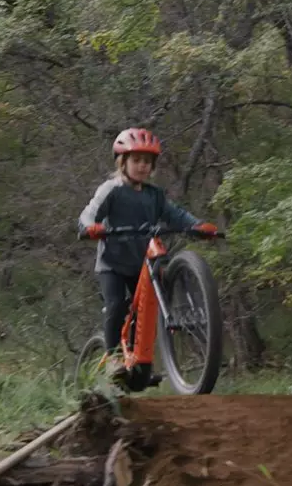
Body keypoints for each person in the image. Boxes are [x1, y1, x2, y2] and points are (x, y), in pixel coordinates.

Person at [77, 127, 216, 370]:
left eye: (147, 162)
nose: (142, 166)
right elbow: (90, 213)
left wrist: (197, 226)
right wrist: (90, 227)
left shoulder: (155, 195)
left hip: (142, 265)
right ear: (123, 162)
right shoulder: (112, 189)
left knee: (148, 311)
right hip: (113, 264)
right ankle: (113, 359)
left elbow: (175, 215)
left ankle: (140, 364)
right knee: (116, 306)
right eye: (137, 160)